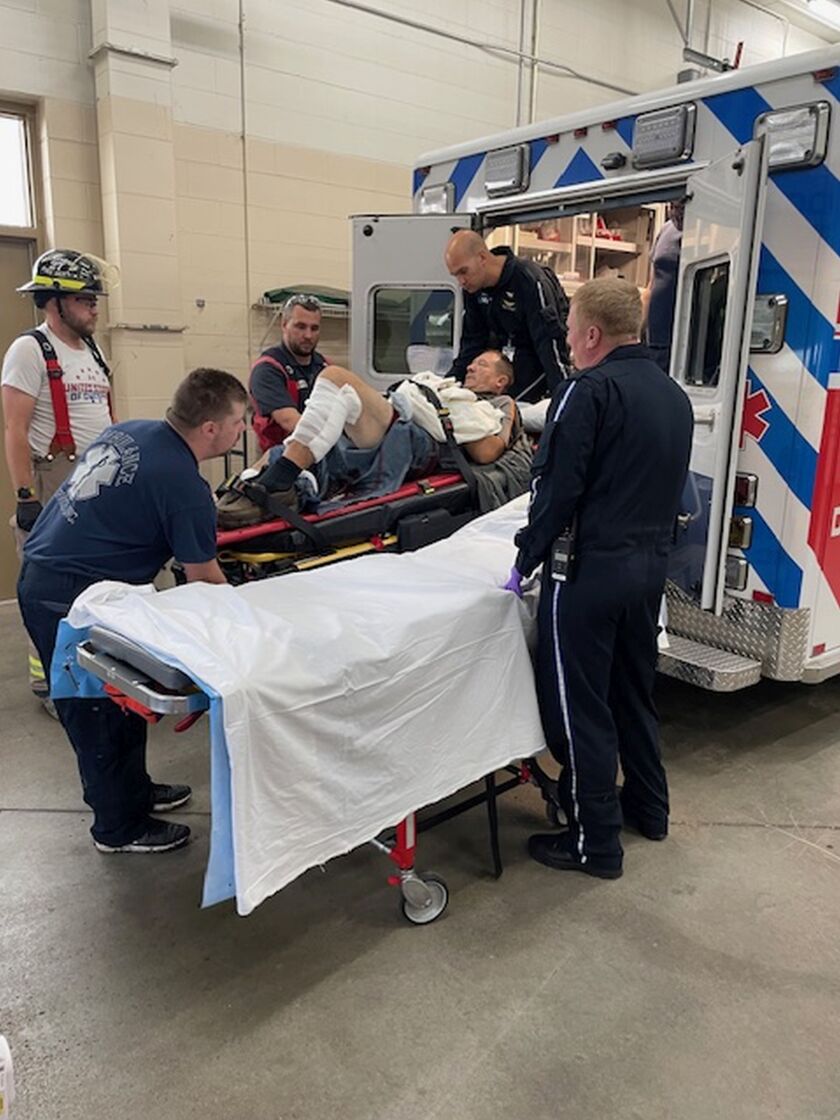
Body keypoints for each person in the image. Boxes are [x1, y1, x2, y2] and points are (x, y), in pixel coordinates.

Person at [504, 278, 693, 880]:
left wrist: (524, 559)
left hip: (587, 575)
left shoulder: (585, 392)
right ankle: (649, 808)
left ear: (591, 334)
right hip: (647, 575)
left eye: (568, 332)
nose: (566, 342)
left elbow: (556, 491)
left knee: (579, 707)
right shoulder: (673, 395)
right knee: (634, 694)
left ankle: (595, 842)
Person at [17, 368, 248, 854]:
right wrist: (250, 621)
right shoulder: (185, 485)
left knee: (120, 700)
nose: (241, 431)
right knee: (95, 709)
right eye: (238, 421)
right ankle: (118, 829)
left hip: (47, 574)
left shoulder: (132, 431)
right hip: (71, 596)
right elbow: (203, 575)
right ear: (211, 429)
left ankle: (134, 793)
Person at [217, 349, 527, 528]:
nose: (471, 366)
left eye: (483, 364)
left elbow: (489, 451)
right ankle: (255, 480)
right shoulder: (453, 390)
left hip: (419, 439)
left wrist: (461, 415)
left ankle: (276, 481)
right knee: (334, 411)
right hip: (404, 417)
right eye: (473, 362)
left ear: (501, 381)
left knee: (337, 380)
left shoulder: (500, 405)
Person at [2, 249, 114, 711]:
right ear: (56, 301)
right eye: (86, 299)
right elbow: (15, 428)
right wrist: (25, 495)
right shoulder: (30, 349)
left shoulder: (92, 348)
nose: (94, 307)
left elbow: (107, 411)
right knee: (51, 586)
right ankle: (50, 681)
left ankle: (96, 669)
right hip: (55, 476)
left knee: (98, 579)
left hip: (99, 474)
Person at [445, 230, 569, 403]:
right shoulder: (473, 288)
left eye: (463, 271)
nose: (461, 281)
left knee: (504, 410)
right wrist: (445, 387)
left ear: (482, 258)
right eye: (455, 275)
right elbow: (472, 343)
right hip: (503, 364)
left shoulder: (529, 280)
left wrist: (564, 399)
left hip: (537, 365)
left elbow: (551, 346)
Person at [249, 293, 330, 452]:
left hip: (318, 453)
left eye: (314, 328)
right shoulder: (267, 369)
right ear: (284, 324)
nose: (308, 335)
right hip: (279, 456)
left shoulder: (324, 366)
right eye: (300, 327)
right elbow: (289, 421)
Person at [642, 198, 686, 373]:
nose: (675, 210)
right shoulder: (666, 230)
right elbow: (651, 286)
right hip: (656, 341)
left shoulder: (711, 230)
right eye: (673, 205)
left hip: (687, 344)